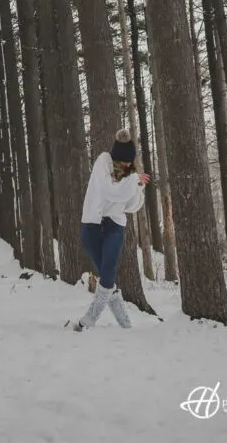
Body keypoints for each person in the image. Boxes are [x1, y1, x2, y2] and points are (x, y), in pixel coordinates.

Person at [73, 129, 150, 332]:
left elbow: (131, 206)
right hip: (92, 223)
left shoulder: (131, 174)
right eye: (123, 162)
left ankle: (90, 317)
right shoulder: (103, 162)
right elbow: (109, 191)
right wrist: (132, 181)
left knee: (108, 266)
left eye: (129, 163)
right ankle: (124, 322)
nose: (126, 166)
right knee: (106, 275)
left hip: (115, 224)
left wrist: (138, 187)